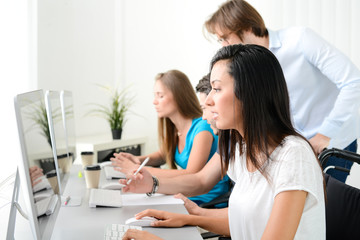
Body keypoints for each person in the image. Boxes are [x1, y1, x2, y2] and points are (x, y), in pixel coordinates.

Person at [122, 44, 326, 240]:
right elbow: (245, 221)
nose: (208, 101)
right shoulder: (243, 150)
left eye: (216, 89)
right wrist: (188, 217)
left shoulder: (293, 156)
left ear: (249, 93)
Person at [203, 0, 360, 183]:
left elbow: (354, 82)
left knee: (324, 206)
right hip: (296, 147)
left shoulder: (300, 40)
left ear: (245, 27)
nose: (223, 45)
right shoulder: (251, 66)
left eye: (225, 38)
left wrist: (325, 133)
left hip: (331, 140)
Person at [112, 69, 229, 205]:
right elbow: (163, 154)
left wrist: (136, 169)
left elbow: (192, 174)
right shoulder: (175, 129)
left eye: (160, 96)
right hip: (187, 196)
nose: (154, 102)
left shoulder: (203, 127)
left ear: (179, 96)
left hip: (205, 201)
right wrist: (137, 160)